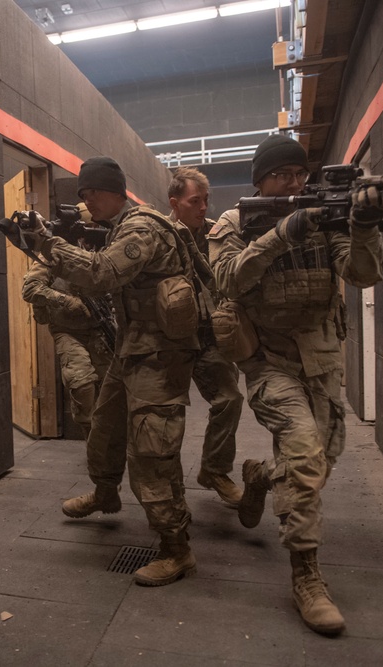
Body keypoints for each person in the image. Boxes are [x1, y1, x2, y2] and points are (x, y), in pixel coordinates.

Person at [207, 135, 383, 636]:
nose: (294, 182)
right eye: (282, 174)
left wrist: (365, 224)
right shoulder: (234, 223)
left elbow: (362, 273)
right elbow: (227, 280)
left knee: (318, 462)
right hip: (269, 362)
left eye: (299, 173)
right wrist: (283, 233)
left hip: (324, 360)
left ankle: (263, 477)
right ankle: (307, 577)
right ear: (260, 181)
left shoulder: (324, 217)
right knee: (306, 456)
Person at [22, 156, 202, 587]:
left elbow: (102, 274)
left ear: (111, 191)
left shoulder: (141, 227)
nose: (85, 201)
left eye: (90, 193)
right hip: (132, 351)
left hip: (159, 358)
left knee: (151, 452)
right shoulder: (120, 227)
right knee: (104, 429)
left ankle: (176, 549)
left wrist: (47, 242)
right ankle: (106, 495)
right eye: (81, 194)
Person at [167, 167, 244, 507]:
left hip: (208, 337)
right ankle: (166, 491)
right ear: (175, 203)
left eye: (205, 200)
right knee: (166, 416)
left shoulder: (216, 234)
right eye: (194, 201)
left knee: (229, 399)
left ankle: (214, 469)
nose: (202, 207)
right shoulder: (161, 236)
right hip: (169, 341)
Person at [21, 204, 113, 440]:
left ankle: (106, 439)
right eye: (90, 226)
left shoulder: (94, 254)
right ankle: (90, 434)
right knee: (81, 383)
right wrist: (66, 301)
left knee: (109, 388)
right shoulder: (52, 254)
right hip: (68, 331)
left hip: (98, 329)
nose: (94, 231)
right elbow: (30, 288)